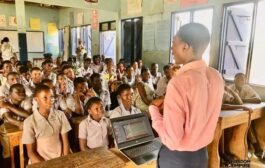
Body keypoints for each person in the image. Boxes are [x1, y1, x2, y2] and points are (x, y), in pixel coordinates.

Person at [149, 23, 224, 168]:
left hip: (177, 158)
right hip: (201, 155)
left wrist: (154, 112)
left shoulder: (179, 83)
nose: (171, 48)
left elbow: (171, 140)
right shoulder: (216, 76)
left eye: (173, 43)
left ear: (185, 46)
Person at [22, 85, 71, 164]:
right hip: (40, 162)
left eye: (51, 97)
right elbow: (31, 152)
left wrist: (64, 161)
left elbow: (65, 141)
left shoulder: (60, 115)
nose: (50, 100)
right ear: (36, 100)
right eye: (45, 98)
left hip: (60, 158)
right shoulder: (29, 122)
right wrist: (46, 166)